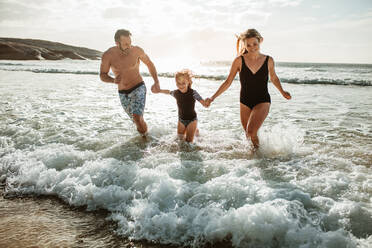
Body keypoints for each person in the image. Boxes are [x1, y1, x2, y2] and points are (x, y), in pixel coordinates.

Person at [206, 29, 291, 149]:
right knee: (248, 135)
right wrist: (212, 98)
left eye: (255, 44)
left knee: (251, 131)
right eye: (248, 45)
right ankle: (256, 159)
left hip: (262, 100)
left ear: (260, 41)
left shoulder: (268, 60)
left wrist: (282, 92)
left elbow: (274, 78)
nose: (252, 47)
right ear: (244, 45)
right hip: (244, 101)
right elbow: (228, 82)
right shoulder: (239, 61)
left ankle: (259, 155)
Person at [99, 29, 161, 136]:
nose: (129, 46)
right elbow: (102, 75)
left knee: (137, 118)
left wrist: (156, 82)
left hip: (138, 87)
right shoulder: (108, 55)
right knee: (136, 120)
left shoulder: (137, 51)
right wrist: (113, 80)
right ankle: (146, 136)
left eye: (130, 43)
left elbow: (150, 64)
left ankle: (145, 140)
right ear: (117, 43)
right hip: (123, 93)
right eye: (126, 44)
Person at [159, 69, 208, 143]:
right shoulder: (176, 93)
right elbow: (168, 92)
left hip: (192, 120)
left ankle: (196, 132)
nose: (181, 85)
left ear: (188, 82)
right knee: (180, 139)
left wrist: (206, 103)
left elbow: (203, 102)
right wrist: (159, 90)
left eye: (183, 83)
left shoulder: (193, 93)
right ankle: (196, 131)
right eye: (178, 83)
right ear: (176, 83)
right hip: (181, 120)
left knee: (188, 141)